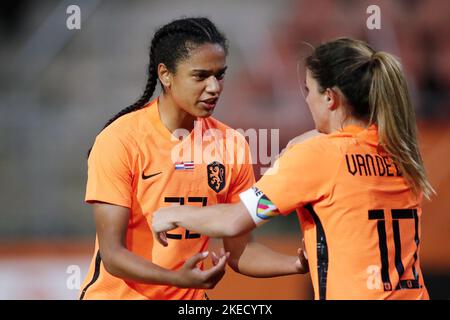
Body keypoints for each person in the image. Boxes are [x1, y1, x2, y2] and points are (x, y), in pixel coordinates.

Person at [152, 38, 434, 300]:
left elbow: (234, 221)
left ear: (330, 98)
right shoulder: (400, 150)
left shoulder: (317, 157)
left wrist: (174, 214)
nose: (307, 100)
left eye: (309, 90)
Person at [80, 17, 307, 300]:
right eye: (200, 76)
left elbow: (240, 251)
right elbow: (113, 255)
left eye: (220, 75)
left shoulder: (231, 145)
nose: (214, 87)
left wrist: (297, 264)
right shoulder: (120, 140)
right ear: (165, 75)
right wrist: (175, 279)